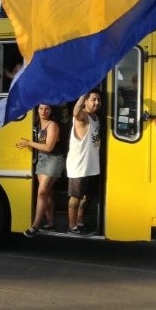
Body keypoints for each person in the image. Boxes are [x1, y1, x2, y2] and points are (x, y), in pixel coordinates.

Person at [16, 104, 65, 237]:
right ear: (37, 110)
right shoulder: (36, 124)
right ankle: (50, 223)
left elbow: (49, 147)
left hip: (54, 159)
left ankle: (35, 226)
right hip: (42, 159)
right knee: (47, 193)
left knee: (42, 192)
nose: (44, 111)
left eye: (47, 109)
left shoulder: (52, 125)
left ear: (51, 111)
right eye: (41, 108)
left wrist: (29, 143)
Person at [65, 89, 102, 235]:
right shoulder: (82, 117)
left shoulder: (95, 118)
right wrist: (83, 92)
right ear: (86, 101)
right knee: (75, 198)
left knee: (86, 197)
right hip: (79, 166)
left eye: (99, 100)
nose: (97, 102)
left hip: (91, 166)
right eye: (93, 99)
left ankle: (80, 223)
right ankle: (71, 226)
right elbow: (75, 112)